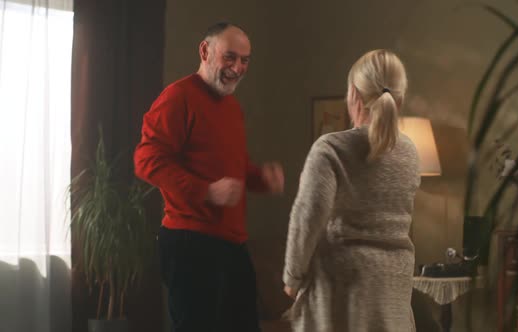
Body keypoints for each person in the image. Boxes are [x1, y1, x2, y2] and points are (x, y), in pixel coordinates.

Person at [134, 22, 284, 332]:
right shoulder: (178, 97)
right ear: (205, 51)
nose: (237, 68)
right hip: (190, 243)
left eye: (244, 60)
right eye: (230, 57)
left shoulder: (231, 107)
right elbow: (146, 160)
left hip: (232, 245)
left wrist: (260, 179)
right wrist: (205, 191)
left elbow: (235, 168)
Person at [282, 49, 420, 332]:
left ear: (354, 96)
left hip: (342, 286)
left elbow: (309, 215)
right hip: (393, 284)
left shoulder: (331, 148)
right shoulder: (411, 153)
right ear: (400, 97)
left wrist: (292, 278)